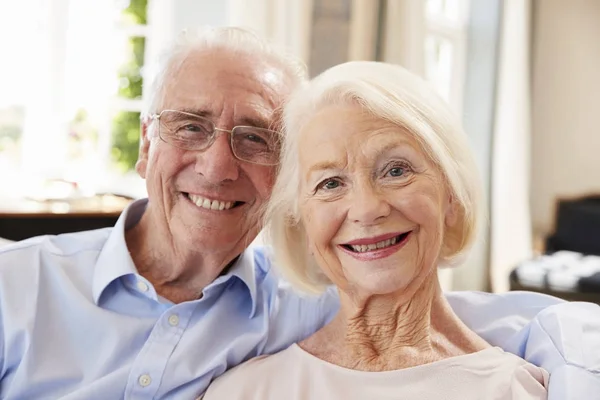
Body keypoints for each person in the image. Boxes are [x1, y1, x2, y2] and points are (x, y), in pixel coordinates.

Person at [0, 27, 597, 399]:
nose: (217, 166)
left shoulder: (300, 304)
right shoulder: (14, 285)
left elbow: (443, 323)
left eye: (256, 138)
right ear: (145, 146)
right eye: (190, 127)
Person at [201, 61, 552, 399]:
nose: (367, 209)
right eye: (331, 183)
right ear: (303, 224)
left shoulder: (513, 389)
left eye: (396, 171)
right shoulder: (243, 392)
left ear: (451, 196)